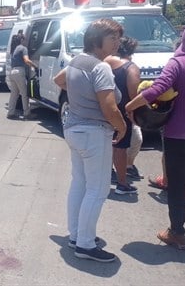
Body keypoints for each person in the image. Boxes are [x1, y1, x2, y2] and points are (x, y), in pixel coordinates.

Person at [53, 18, 126, 263]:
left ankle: (76, 236)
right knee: (98, 189)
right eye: (112, 38)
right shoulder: (100, 67)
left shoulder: (76, 62)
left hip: (74, 130)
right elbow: (109, 107)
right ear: (97, 40)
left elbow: (59, 80)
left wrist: (79, 97)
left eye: (118, 38)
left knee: (81, 183)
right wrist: (122, 126)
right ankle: (85, 244)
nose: (117, 43)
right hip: (94, 133)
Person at [125, 19, 185, 250]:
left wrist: (130, 107)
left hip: (177, 136)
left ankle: (176, 233)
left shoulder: (178, 63)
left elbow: (157, 89)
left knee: (176, 185)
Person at [104, 37, 141, 194]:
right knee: (121, 148)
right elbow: (134, 95)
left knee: (109, 144)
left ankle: (106, 176)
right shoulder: (131, 68)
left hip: (105, 109)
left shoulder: (105, 61)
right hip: (123, 113)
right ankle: (122, 183)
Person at [6, 33, 37, 120]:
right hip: (19, 72)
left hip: (12, 72)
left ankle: (10, 113)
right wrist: (35, 66)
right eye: (25, 39)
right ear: (22, 40)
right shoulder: (23, 48)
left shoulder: (14, 49)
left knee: (14, 94)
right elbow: (26, 60)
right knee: (24, 94)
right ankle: (27, 113)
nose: (26, 41)